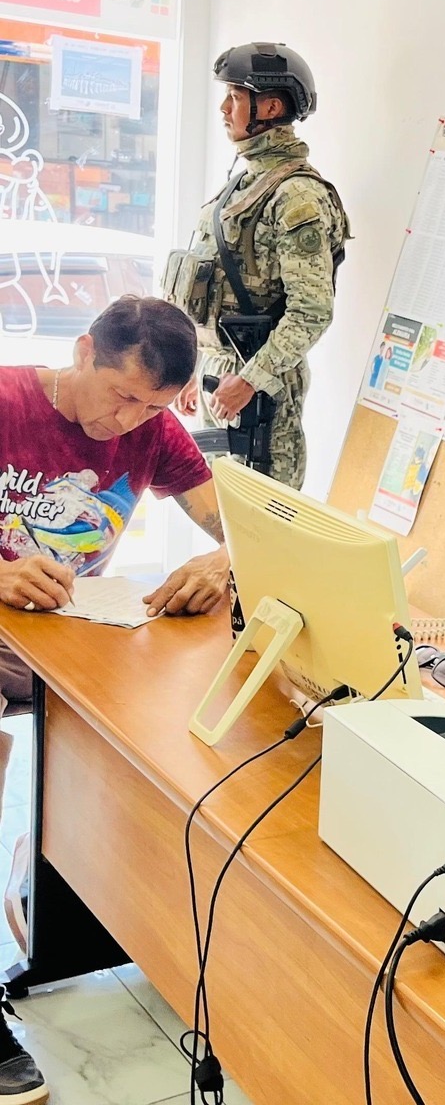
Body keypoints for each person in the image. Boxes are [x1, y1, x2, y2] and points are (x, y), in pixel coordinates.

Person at [0, 294, 231, 1103]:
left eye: (153, 407)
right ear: (82, 351)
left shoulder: (153, 432)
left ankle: (137, 926)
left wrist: (224, 562)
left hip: (65, 638)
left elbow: (240, 526)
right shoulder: (8, 401)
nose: (128, 421)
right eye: (122, 395)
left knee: (183, 725)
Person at [164, 41, 350, 490]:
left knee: (265, 518)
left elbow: (311, 312)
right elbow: (212, 285)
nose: (224, 109)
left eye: (235, 97)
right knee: (218, 511)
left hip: (260, 390)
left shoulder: (296, 195)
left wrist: (249, 380)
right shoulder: (246, 182)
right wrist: (194, 366)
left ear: (269, 107)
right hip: (221, 376)